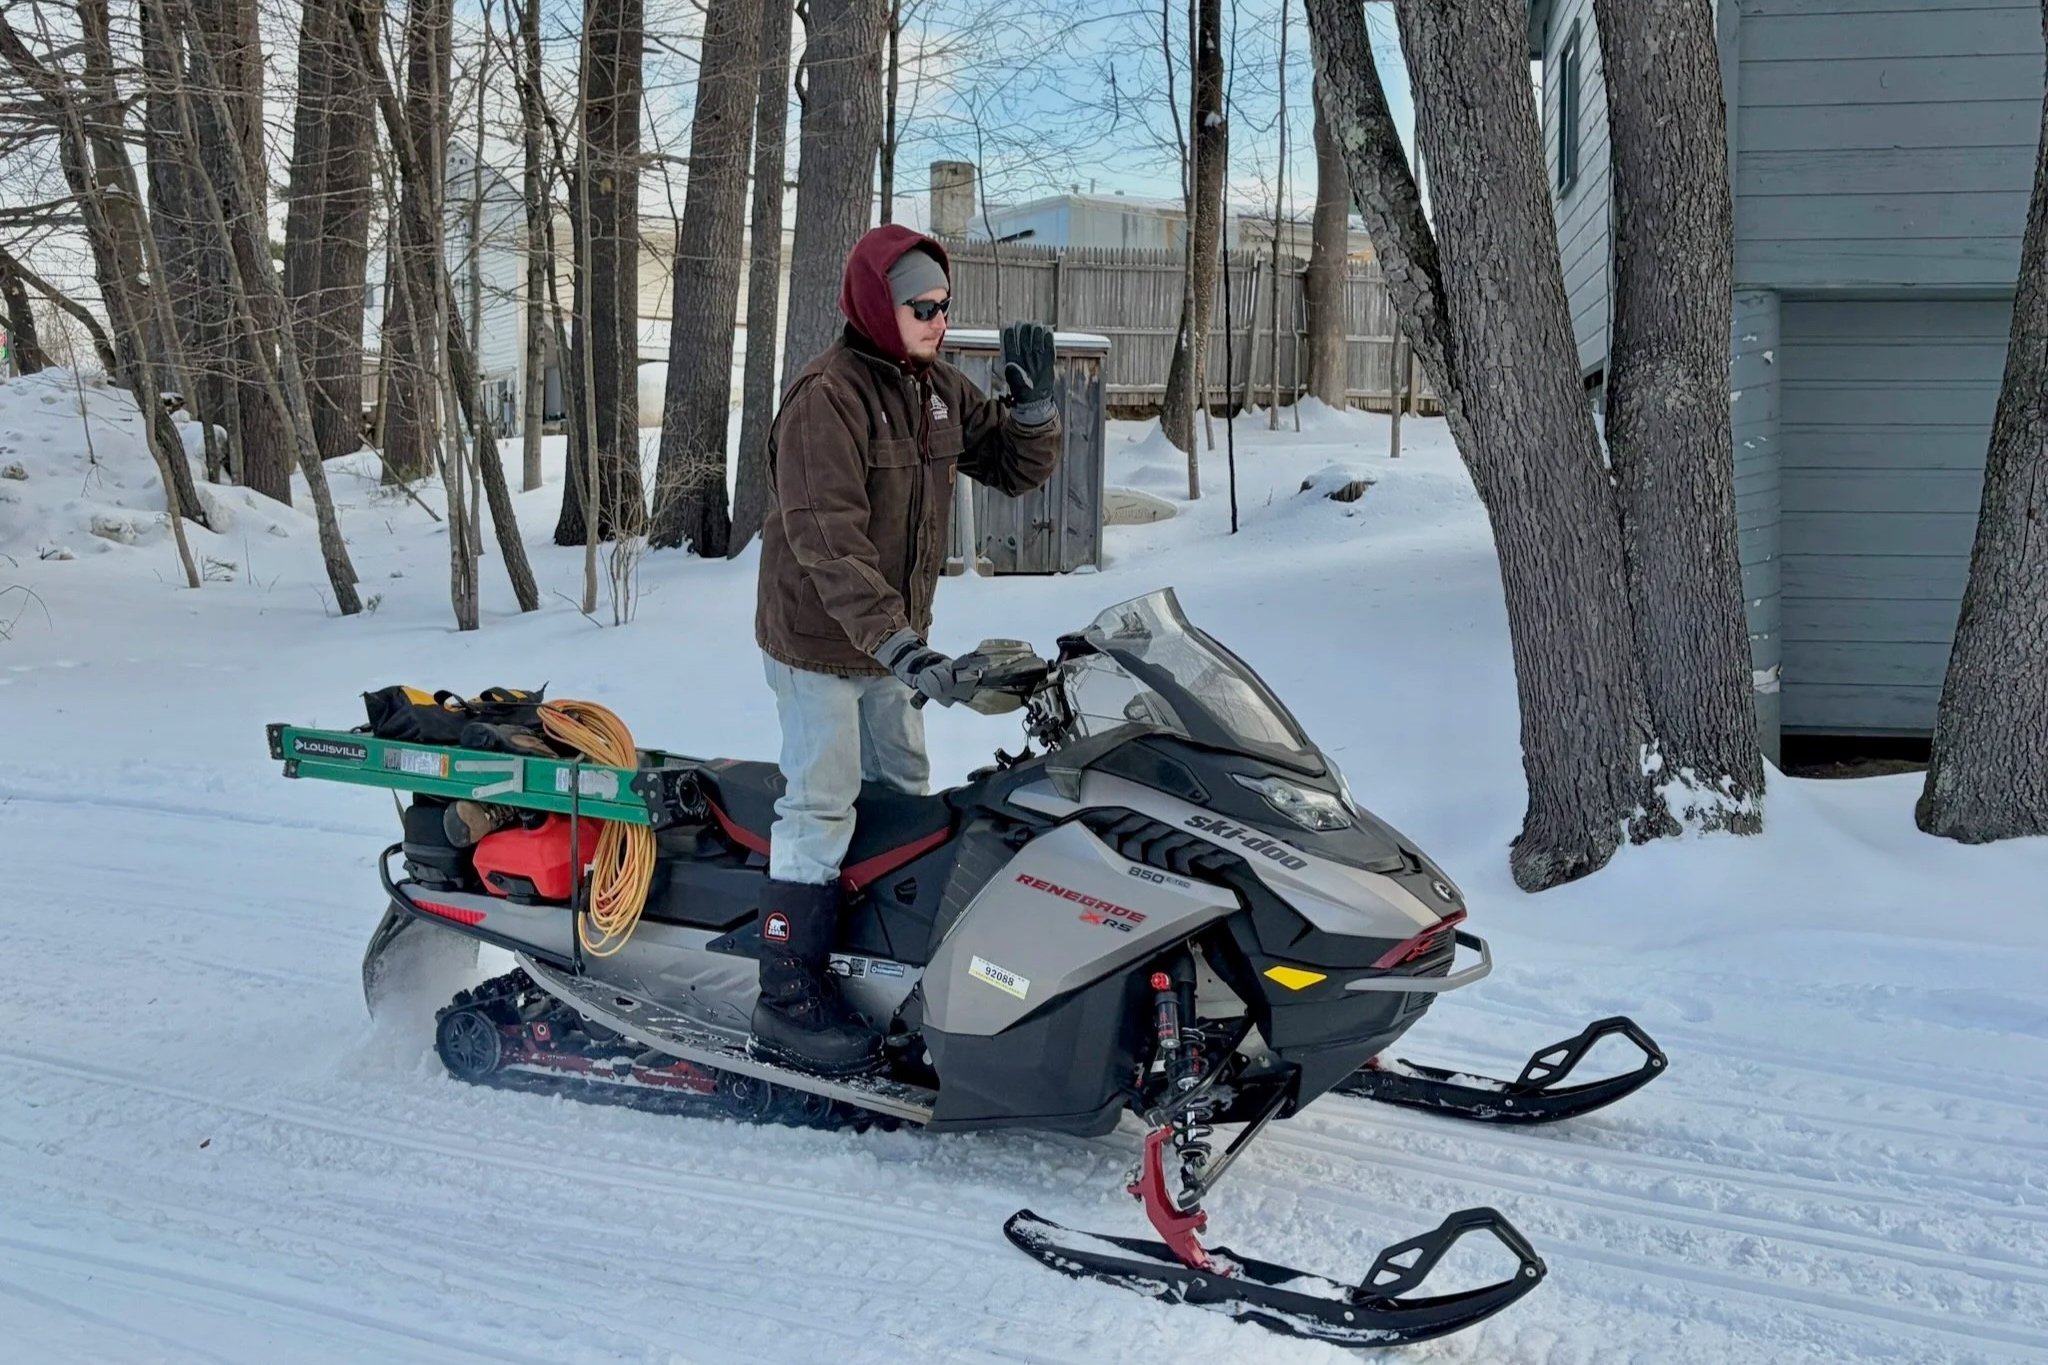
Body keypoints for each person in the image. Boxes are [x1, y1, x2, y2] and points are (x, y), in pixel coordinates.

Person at [749, 224, 1063, 1076]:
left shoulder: (934, 389)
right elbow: (828, 543)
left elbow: (1007, 462)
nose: (937, 318)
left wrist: (1031, 411)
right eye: (921, 306)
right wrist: (899, 644)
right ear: (876, 307)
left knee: (900, 794)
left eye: (944, 304)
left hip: (891, 648)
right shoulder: (826, 398)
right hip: (821, 644)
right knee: (821, 801)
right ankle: (787, 988)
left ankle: (874, 950)